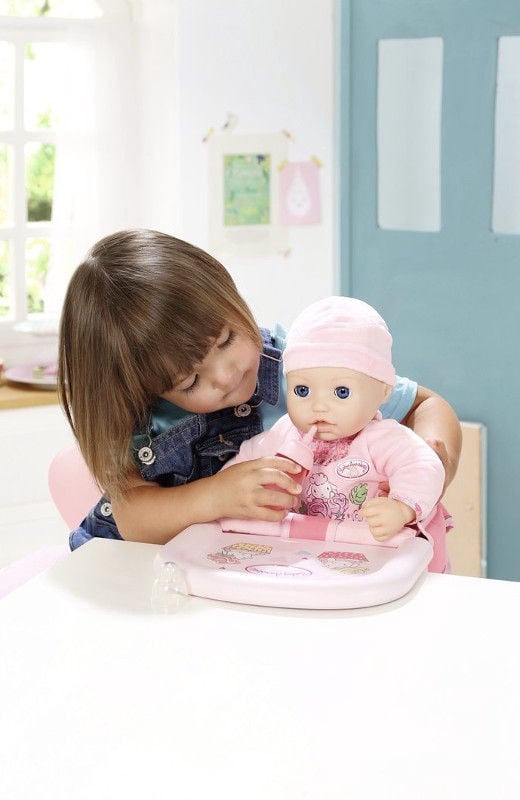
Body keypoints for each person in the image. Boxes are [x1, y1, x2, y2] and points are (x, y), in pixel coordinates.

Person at [57, 229, 462, 550]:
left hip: (275, 568)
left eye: (227, 339)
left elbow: (427, 405)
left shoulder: (303, 366)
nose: (226, 373)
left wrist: (430, 464)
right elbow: (133, 519)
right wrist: (215, 496)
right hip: (147, 572)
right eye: (191, 382)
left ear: (231, 293)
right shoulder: (147, 417)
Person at [220, 296, 452, 572]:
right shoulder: (284, 433)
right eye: (302, 391)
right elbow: (244, 465)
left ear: (384, 391)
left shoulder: (385, 439)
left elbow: (423, 467)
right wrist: (237, 494)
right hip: (307, 556)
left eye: (341, 392)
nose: (319, 406)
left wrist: (402, 508)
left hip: (370, 556)